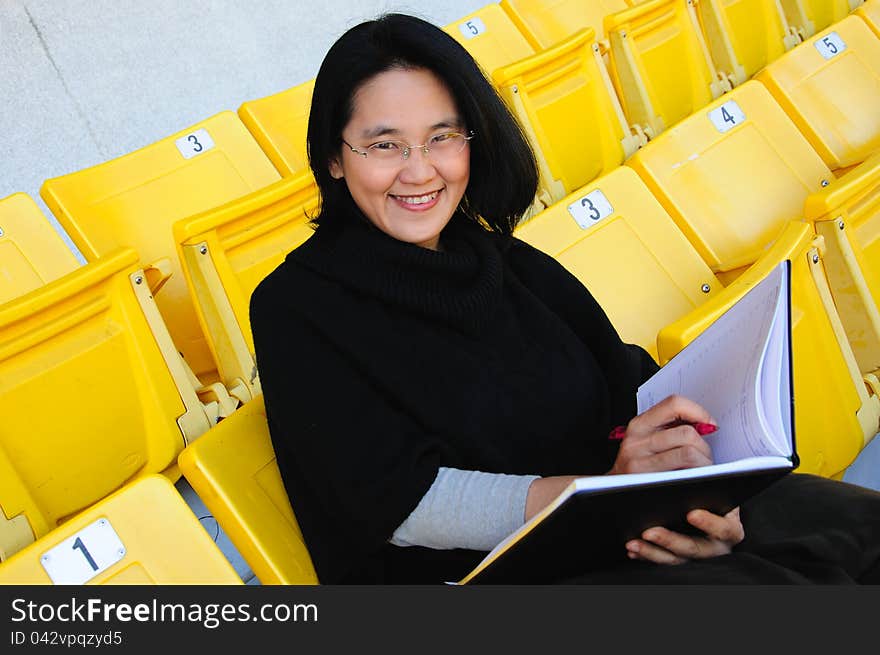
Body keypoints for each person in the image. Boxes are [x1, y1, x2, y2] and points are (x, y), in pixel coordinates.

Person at [249, 13, 880, 584]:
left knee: (861, 529)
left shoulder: (501, 259)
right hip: (500, 576)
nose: (419, 170)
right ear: (334, 157)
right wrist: (612, 493)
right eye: (385, 144)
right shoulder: (295, 308)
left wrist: (708, 495)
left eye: (443, 136)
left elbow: (626, 378)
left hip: (620, 515)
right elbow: (410, 507)